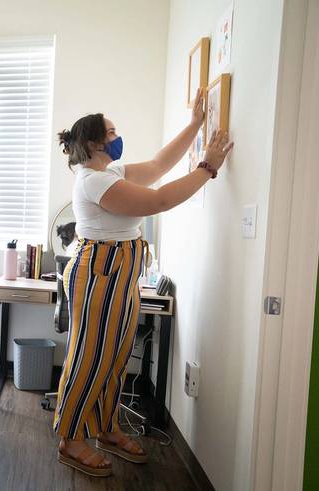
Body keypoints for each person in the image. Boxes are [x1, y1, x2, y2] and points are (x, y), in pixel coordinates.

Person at [54, 88, 233, 477]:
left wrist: (194, 125)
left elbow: (158, 165)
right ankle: (71, 438)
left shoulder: (109, 172)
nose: (118, 138)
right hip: (100, 272)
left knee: (116, 355)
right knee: (90, 355)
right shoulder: (92, 182)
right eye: (113, 132)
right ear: (93, 143)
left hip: (120, 272)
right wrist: (208, 167)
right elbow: (159, 201)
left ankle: (104, 427)